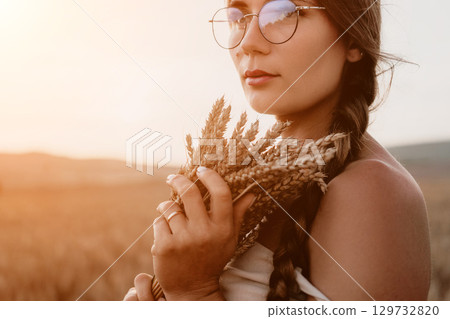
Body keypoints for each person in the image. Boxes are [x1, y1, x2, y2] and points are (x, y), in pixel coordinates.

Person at [124, 0, 431, 301]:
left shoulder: (373, 192)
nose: (248, 42)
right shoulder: (255, 175)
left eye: (284, 12)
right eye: (238, 14)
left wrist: (192, 292)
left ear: (352, 39)